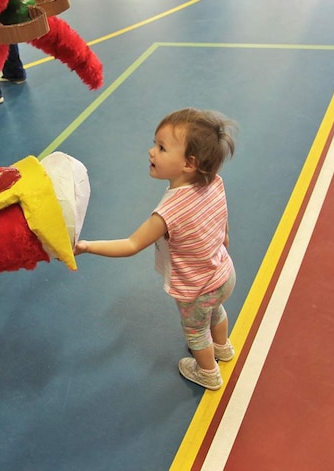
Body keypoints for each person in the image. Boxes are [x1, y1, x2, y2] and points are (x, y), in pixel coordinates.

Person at [75, 108, 238, 390]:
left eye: (161, 148)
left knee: (196, 332)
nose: (151, 152)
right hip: (224, 274)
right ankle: (223, 347)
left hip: (196, 289)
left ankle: (208, 372)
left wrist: (87, 246)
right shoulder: (214, 181)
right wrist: (224, 240)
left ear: (189, 163)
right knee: (217, 311)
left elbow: (131, 244)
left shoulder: (168, 212)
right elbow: (223, 222)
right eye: (155, 144)